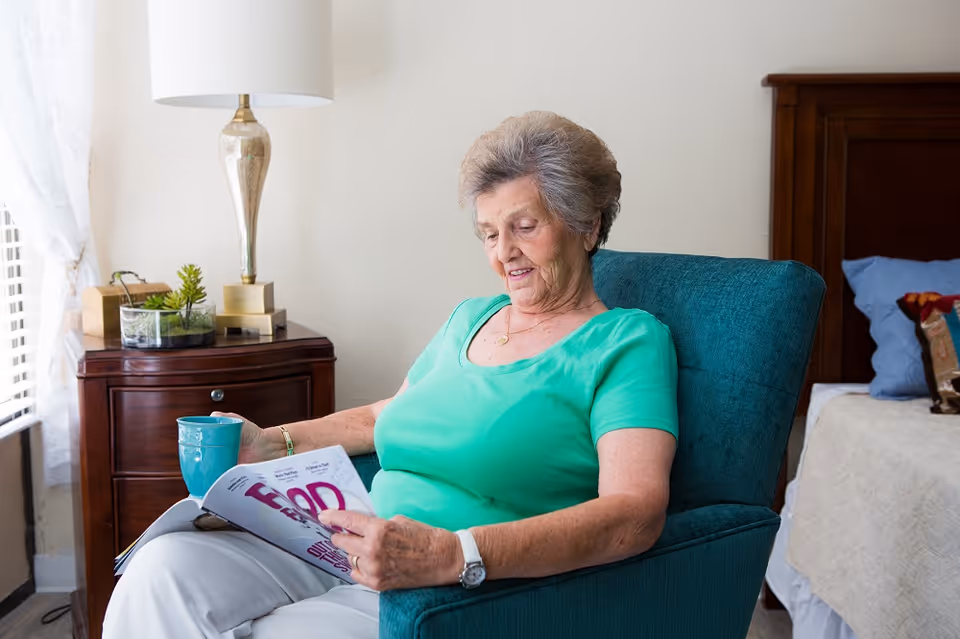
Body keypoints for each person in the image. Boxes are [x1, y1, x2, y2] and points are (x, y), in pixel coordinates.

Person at [103, 111, 679, 639]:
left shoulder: (626, 342)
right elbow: (385, 416)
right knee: (159, 571)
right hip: (346, 546)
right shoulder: (470, 318)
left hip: (451, 585)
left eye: (524, 226)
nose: (504, 253)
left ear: (586, 225)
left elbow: (635, 513)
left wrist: (453, 554)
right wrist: (270, 442)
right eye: (487, 233)